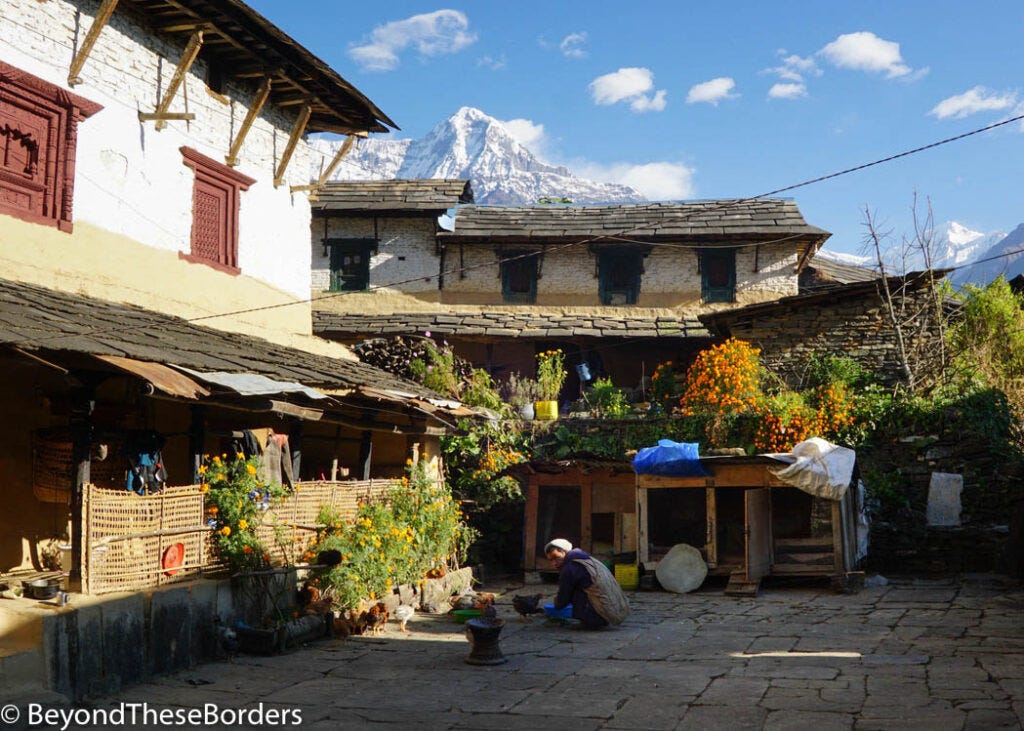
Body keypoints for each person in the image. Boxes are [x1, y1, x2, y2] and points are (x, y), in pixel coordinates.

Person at [545, 538, 629, 630]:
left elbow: (564, 596)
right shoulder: (585, 558)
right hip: (611, 608)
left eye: (557, 558)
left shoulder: (570, 568)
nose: (554, 563)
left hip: (603, 610)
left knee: (574, 592)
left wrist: (556, 606)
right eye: (551, 560)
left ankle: (591, 622)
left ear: (565, 552)